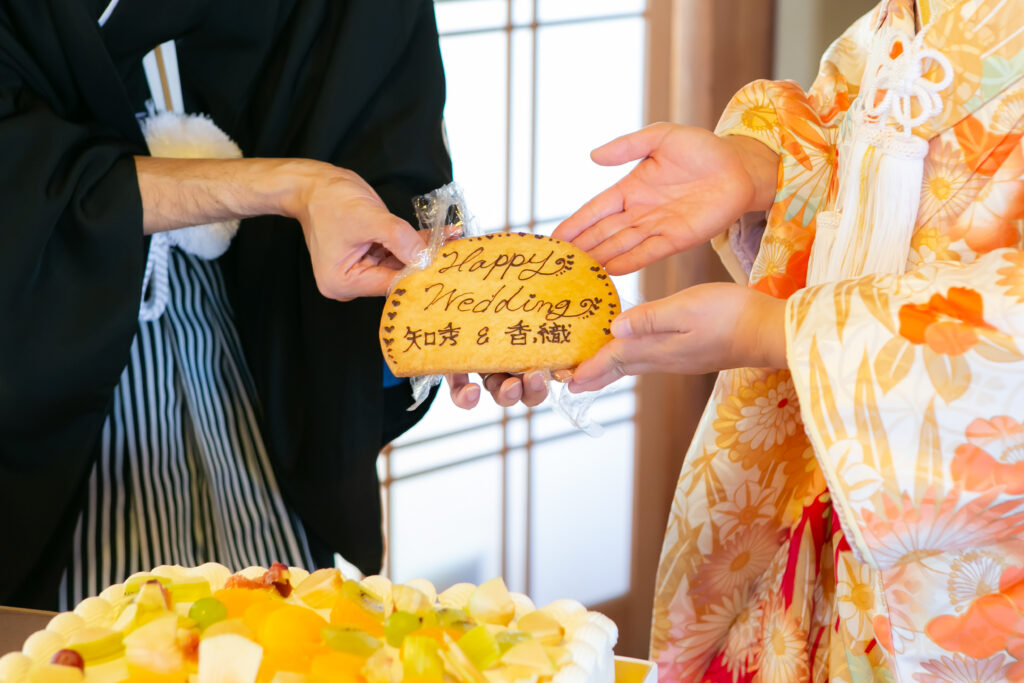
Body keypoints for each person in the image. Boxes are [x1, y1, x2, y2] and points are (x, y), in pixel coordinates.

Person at [0, 0, 541, 611]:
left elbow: (385, 124)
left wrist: (432, 292)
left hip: (258, 349)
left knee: (282, 627)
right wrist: (290, 186)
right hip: (62, 334)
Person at [555, 0, 1024, 679]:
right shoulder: (902, 20)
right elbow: (868, 161)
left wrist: (772, 329)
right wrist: (757, 169)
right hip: (834, 498)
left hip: (970, 576)